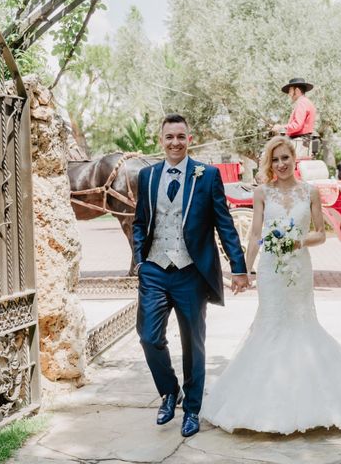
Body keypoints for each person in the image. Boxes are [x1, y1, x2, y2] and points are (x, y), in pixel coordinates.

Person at [200, 136, 341, 434]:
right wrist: (245, 271)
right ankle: (263, 400)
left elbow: (321, 233)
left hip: (299, 268)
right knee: (270, 324)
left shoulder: (311, 192)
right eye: (275, 160)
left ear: (295, 160)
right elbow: (254, 235)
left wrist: (296, 241)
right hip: (270, 270)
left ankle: (317, 395)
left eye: (285, 158)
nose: (280, 164)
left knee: (302, 323)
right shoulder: (263, 194)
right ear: (270, 163)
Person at [132, 113, 249, 438]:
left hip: (191, 272)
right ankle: (170, 391)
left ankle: (192, 409)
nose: (175, 142)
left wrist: (238, 266)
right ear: (161, 140)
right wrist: (140, 261)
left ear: (189, 139)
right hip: (155, 269)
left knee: (193, 344)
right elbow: (140, 222)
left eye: (181, 136)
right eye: (169, 137)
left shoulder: (207, 175)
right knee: (149, 337)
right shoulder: (148, 176)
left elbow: (224, 223)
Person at [272, 77, 317, 158]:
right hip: (304, 143)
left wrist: (280, 127)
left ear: (296, 90)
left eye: (290, 90)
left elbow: (297, 125)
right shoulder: (307, 102)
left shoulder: (301, 103)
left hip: (299, 144)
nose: (289, 94)